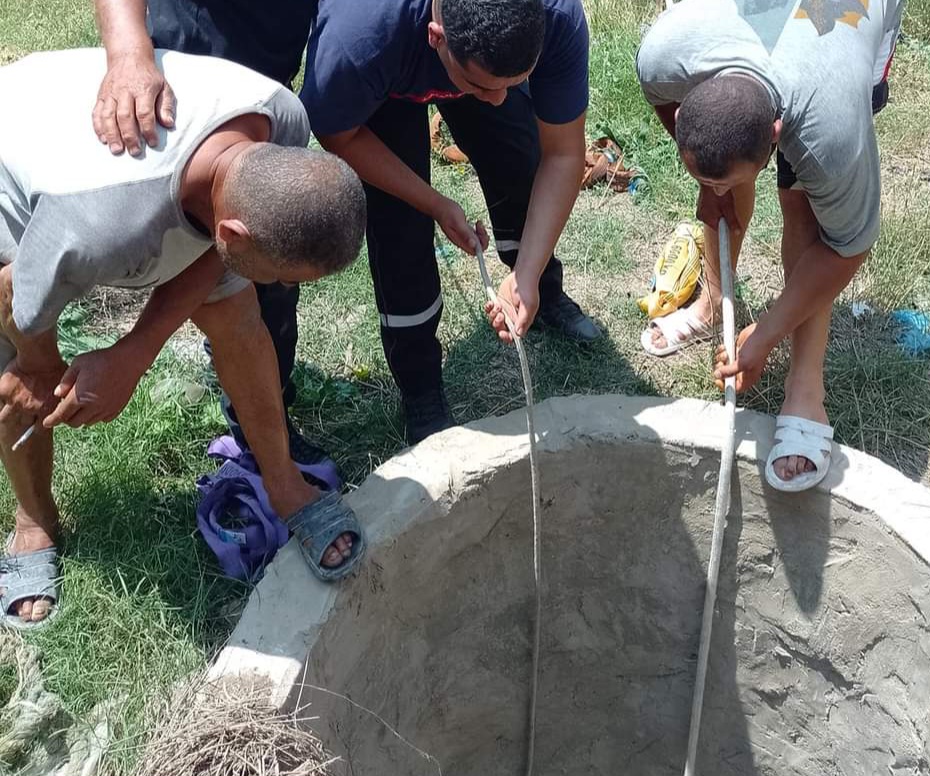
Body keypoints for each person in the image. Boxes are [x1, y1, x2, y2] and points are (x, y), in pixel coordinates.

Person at [0, 48, 368, 628]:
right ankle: (34, 516)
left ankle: (284, 483)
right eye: (275, 272)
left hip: (112, 160)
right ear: (234, 231)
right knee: (15, 378)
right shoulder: (100, 227)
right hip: (18, 170)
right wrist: (39, 368)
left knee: (239, 319)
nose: (273, 284)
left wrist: (134, 352)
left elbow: (212, 248)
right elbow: (12, 295)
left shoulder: (281, 120)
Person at [301, 0, 600, 444]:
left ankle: (542, 292)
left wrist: (528, 273)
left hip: (465, 52)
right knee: (400, 225)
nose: (497, 98)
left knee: (519, 153)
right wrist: (434, 203)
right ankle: (421, 384)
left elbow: (563, 154)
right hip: (390, 72)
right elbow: (337, 133)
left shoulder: (554, 15)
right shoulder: (363, 37)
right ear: (437, 36)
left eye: (514, 81)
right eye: (481, 85)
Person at [635, 0, 904, 492]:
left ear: (777, 133)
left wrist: (765, 338)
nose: (711, 198)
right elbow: (686, 122)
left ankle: (805, 391)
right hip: (766, 27)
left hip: (841, 19)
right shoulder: (664, 55)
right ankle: (714, 305)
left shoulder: (831, 130)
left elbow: (846, 248)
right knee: (723, 171)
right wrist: (710, 184)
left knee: (802, 204)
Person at [93, 0, 329, 463]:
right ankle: (257, 434)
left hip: (266, 85)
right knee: (218, 280)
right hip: (180, 90)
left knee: (269, 278)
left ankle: (268, 417)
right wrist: (127, 52)